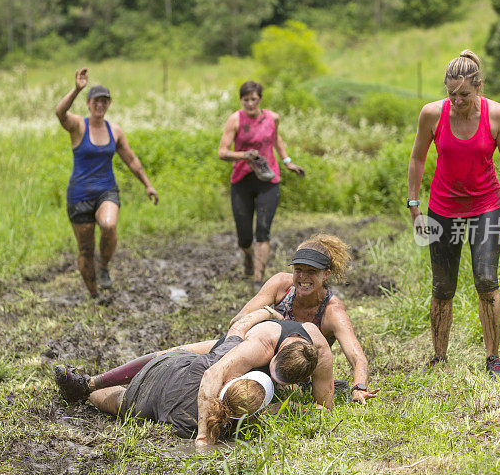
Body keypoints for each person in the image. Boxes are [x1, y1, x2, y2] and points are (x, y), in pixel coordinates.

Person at [55, 306, 332, 447]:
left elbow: (324, 404)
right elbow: (217, 369)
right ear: (275, 354)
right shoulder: (255, 345)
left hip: (181, 369)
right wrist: (203, 438)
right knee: (128, 398)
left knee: (161, 361)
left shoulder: (320, 356)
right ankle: (90, 386)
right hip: (194, 381)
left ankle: (88, 387)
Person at [406, 50, 500, 377]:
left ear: (479, 87)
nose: (457, 101)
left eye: (464, 95)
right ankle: (439, 357)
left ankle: (493, 357)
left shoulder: (498, 116)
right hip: (443, 209)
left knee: (486, 280)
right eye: (451, 94)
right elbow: (416, 159)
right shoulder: (431, 114)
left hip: (486, 207)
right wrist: (414, 204)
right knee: (443, 287)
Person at [228, 234, 380, 404]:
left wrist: (359, 388)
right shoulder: (280, 284)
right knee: (197, 351)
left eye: (312, 272)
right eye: (298, 270)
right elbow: (239, 319)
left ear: (326, 275)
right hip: (258, 352)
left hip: (293, 374)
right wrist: (269, 316)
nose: (303, 277)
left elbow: (357, 357)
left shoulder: (333, 312)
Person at [55, 67, 158, 297]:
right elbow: (60, 113)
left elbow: (131, 160)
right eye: (96, 101)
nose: (100, 105)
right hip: (79, 196)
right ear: (89, 104)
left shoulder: (115, 130)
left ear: (109, 104)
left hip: (106, 191)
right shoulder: (78, 126)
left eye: (105, 101)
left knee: (109, 225)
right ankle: (94, 295)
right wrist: (76, 89)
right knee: (85, 249)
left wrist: (147, 184)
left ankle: (104, 268)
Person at [218, 81, 305, 289]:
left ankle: (258, 278)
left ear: (260, 99)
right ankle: (247, 256)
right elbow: (222, 152)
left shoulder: (272, 118)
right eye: (245, 100)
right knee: (244, 237)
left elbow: (277, 140)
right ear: (241, 100)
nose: (250, 103)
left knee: (263, 231)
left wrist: (287, 162)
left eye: (253, 99)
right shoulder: (235, 120)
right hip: (242, 179)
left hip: (268, 179)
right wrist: (244, 155)